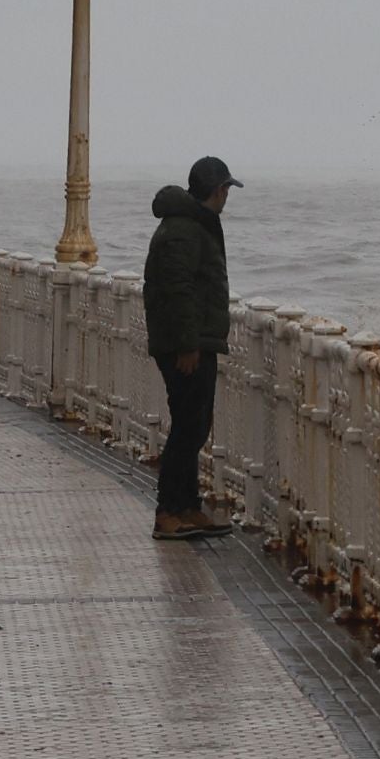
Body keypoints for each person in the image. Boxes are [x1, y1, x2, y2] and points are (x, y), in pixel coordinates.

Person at [141, 156, 243, 540]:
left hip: (194, 339)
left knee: (195, 424)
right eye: (226, 189)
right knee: (189, 426)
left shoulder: (191, 225)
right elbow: (179, 290)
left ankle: (188, 507)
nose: (227, 196)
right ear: (219, 190)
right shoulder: (184, 230)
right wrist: (187, 345)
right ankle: (168, 510)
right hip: (186, 344)